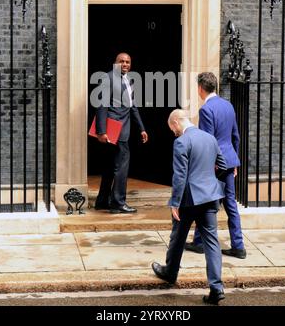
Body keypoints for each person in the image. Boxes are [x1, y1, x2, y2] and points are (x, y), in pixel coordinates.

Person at [151, 109, 227, 305]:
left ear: (176, 122)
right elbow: (223, 165)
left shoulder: (181, 142)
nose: (173, 132)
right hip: (210, 197)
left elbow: (180, 175)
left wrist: (174, 202)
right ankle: (216, 287)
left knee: (178, 237)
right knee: (211, 242)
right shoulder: (210, 138)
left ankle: (170, 272)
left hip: (189, 199)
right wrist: (209, 181)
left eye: (172, 128)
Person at [185, 72, 246, 259]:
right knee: (230, 204)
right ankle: (238, 246)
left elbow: (207, 141)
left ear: (201, 88)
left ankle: (200, 242)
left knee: (204, 201)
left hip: (215, 165)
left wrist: (207, 166)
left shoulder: (206, 110)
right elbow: (235, 136)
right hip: (229, 161)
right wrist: (234, 163)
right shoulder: (227, 105)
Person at [94, 53, 148, 214]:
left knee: (111, 166)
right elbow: (101, 104)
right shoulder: (108, 78)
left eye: (127, 62)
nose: (125, 64)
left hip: (123, 128)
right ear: (115, 63)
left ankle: (102, 201)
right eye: (121, 61)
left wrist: (142, 128)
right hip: (113, 129)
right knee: (121, 167)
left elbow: (132, 106)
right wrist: (101, 131)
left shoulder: (128, 79)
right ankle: (118, 202)